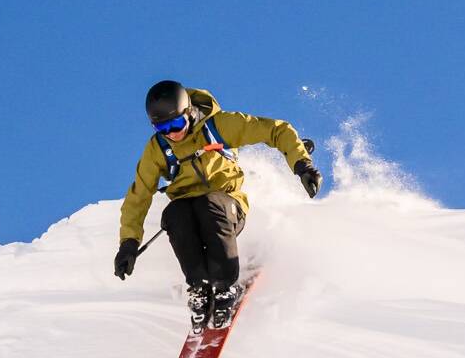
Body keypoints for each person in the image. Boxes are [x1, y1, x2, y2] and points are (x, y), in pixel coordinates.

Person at [113, 81, 321, 330]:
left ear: (188, 112)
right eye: (162, 128)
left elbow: (277, 130)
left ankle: (224, 286)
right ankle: (199, 288)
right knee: (174, 213)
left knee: (209, 204)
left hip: (225, 205)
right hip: (187, 212)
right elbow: (138, 196)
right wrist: (129, 243)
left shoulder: (218, 126)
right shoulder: (158, 149)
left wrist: (303, 165)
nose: (172, 133)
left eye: (176, 124)